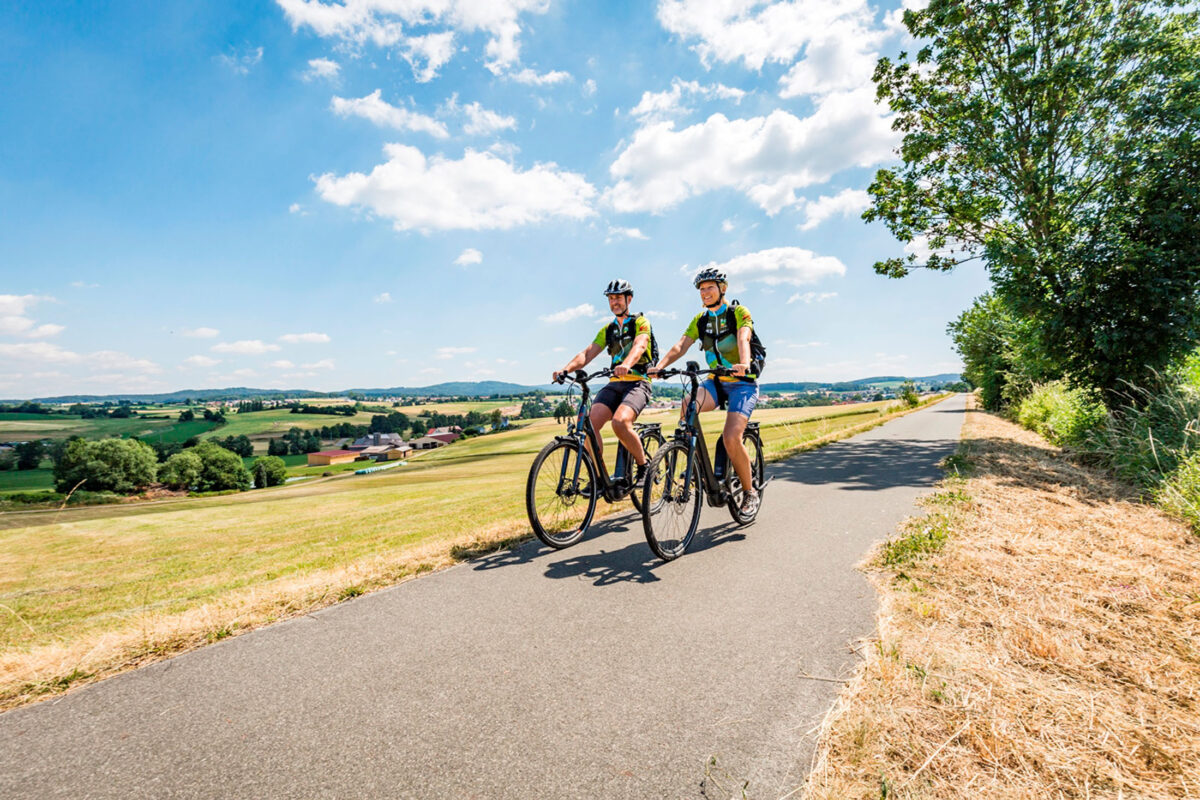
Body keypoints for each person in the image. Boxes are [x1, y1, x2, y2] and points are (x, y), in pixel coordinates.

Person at [649, 267, 761, 515]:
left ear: (722, 289)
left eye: (710, 287)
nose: (705, 292)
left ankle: (750, 491)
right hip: (715, 381)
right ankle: (697, 467)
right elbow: (681, 345)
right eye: (701, 289)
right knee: (689, 404)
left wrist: (744, 363)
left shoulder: (738, 312)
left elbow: (743, 337)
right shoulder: (700, 320)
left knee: (731, 437)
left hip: (743, 383)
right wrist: (659, 366)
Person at [552, 279, 654, 486]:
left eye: (618, 298)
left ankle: (644, 467)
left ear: (629, 299)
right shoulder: (608, 330)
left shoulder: (640, 323)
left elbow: (640, 345)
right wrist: (566, 369)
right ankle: (600, 478)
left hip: (637, 383)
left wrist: (626, 363)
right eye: (611, 298)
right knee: (589, 426)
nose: (614, 302)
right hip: (615, 384)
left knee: (620, 423)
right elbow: (588, 353)